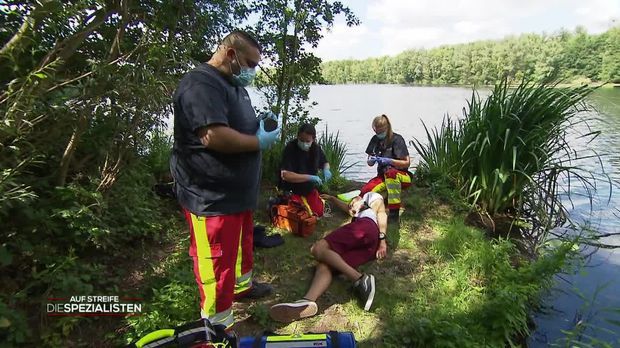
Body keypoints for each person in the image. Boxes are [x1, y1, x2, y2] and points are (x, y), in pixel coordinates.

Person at [169, 30, 281, 329]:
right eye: (251, 63)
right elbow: (213, 135)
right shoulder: (200, 83)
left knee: (243, 246)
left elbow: (236, 123)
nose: (253, 71)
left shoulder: (233, 83)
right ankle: (217, 327)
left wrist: (259, 124)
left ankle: (242, 287)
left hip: (238, 195)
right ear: (231, 54)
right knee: (216, 264)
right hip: (212, 197)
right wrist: (258, 142)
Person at [268, 191, 388, 323]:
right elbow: (347, 207)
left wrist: (382, 240)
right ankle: (308, 301)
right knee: (326, 264)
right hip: (368, 246)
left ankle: (359, 279)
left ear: (360, 199)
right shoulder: (357, 212)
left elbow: (382, 213)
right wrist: (332, 198)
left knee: (317, 248)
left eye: (353, 202)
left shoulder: (369, 197)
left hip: (365, 228)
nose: (351, 205)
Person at [362, 114, 412, 222]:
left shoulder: (397, 139)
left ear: (387, 128)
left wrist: (390, 161)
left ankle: (394, 213)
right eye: (376, 131)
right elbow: (369, 163)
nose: (378, 134)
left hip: (401, 174)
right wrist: (371, 160)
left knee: (391, 174)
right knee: (366, 192)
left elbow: (407, 163)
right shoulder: (375, 140)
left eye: (380, 132)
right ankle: (370, 210)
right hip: (382, 175)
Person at [279, 123, 332, 217]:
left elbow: (325, 162)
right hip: (292, 189)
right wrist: (309, 177)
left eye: (307, 141)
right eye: (301, 140)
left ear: (313, 139)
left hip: (308, 189)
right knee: (301, 213)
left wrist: (326, 170)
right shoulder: (290, 148)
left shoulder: (315, 149)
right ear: (298, 136)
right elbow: (285, 175)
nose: (304, 143)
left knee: (318, 212)